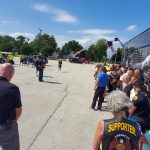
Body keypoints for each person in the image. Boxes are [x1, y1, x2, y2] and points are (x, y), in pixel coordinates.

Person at [0, 63, 22, 150]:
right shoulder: (12, 88)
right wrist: (14, 121)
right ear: (9, 73)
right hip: (5, 127)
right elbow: (18, 110)